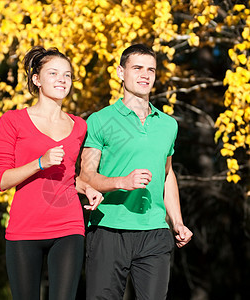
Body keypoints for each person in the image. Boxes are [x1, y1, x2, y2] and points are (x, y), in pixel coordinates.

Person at [79, 44, 193, 300]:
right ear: (121, 72)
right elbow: (86, 176)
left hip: (154, 231)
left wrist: (177, 222)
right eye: (137, 68)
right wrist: (123, 181)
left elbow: (167, 174)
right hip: (109, 227)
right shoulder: (100, 120)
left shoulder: (168, 124)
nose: (145, 75)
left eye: (151, 69)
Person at [0, 46, 103, 300]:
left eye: (67, 75)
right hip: (24, 228)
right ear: (37, 79)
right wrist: (39, 163)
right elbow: (1, 180)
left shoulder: (79, 126)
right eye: (53, 73)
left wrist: (87, 188)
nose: (62, 80)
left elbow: (67, 178)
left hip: (68, 226)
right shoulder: (13, 120)